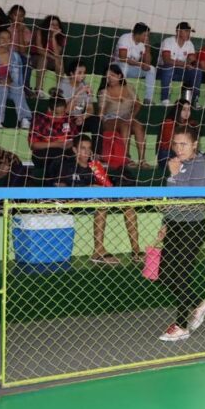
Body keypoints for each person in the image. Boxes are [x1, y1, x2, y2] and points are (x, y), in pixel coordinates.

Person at [156, 125, 205, 342]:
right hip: (174, 225)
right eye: (176, 144)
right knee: (164, 275)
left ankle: (181, 325)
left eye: (184, 144)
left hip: (193, 227)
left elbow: (192, 196)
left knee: (180, 273)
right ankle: (199, 303)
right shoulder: (176, 163)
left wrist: (174, 174)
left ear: (195, 145)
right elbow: (172, 198)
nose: (179, 148)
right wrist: (165, 223)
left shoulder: (202, 165)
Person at [49, 134, 142, 266]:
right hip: (71, 202)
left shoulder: (95, 167)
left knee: (128, 204)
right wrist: (87, 187)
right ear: (75, 150)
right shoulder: (65, 165)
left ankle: (136, 251)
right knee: (102, 203)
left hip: (96, 199)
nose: (87, 152)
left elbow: (109, 184)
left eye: (89, 148)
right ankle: (98, 251)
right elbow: (59, 186)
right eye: (83, 148)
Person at [98, 63, 150, 169]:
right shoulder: (103, 92)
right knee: (124, 125)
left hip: (127, 117)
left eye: (112, 75)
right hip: (110, 120)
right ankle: (126, 158)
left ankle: (142, 160)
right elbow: (101, 112)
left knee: (138, 126)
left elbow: (138, 104)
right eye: (107, 77)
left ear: (119, 76)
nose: (109, 79)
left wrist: (132, 116)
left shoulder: (129, 87)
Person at [0, 26, 33, 128]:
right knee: (2, 88)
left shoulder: (15, 56)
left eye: (8, 38)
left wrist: (8, 80)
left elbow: (16, 78)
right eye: (2, 38)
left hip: (8, 86)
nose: (5, 40)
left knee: (18, 88)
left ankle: (25, 119)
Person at [157, 21, 201, 106]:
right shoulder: (168, 41)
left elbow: (192, 60)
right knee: (169, 67)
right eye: (187, 31)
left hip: (180, 72)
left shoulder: (189, 43)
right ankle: (165, 99)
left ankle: (195, 100)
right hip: (162, 70)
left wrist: (193, 64)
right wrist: (184, 64)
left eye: (189, 32)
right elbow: (167, 60)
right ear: (178, 31)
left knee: (197, 72)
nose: (189, 34)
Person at [28, 96, 74, 176]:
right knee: (59, 155)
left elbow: (75, 138)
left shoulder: (68, 118)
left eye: (62, 112)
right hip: (43, 153)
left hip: (64, 150)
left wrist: (71, 144)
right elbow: (33, 145)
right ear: (49, 109)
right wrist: (57, 144)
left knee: (80, 153)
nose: (60, 116)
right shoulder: (39, 120)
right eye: (56, 113)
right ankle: (54, 184)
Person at [113, 21, 156, 104]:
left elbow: (147, 63)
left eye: (147, 35)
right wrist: (140, 64)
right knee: (124, 65)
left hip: (131, 68)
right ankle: (120, 95)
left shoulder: (143, 44)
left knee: (152, 69)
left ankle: (148, 99)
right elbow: (123, 58)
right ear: (138, 34)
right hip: (117, 67)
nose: (147, 37)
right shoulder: (125, 38)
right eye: (145, 35)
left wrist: (147, 47)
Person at [56, 59, 98, 140]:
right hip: (65, 120)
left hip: (79, 119)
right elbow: (65, 111)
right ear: (72, 74)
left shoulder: (85, 86)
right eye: (79, 73)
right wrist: (79, 93)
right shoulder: (63, 85)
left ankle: (97, 151)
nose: (83, 75)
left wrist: (82, 117)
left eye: (84, 73)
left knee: (96, 120)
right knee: (67, 122)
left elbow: (91, 109)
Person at [30, 14, 66, 97]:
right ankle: (39, 89)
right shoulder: (40, 32)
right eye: (52, 24)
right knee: (44, 58)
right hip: (36, 58)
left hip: (52, 60)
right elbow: (40, 50)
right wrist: (53, 57)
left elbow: (57, 54)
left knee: (60, 60)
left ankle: (58, 89)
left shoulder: (61, 37)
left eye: (57, 25)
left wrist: (53, 37)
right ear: (47, 25)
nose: (55, 26)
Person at [157, 99, 197, 171]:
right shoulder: (169, 122)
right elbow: (172, 144)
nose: (187, 112)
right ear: (178, 110)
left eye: (189, 109)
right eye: (184, 109)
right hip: (168, 154)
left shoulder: (191, 123)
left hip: (182, 153)